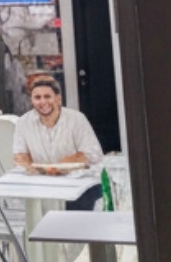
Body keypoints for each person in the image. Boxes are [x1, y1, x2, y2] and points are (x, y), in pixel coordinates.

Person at [12, 75, 106, 211]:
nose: (42, 102)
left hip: (80, 183)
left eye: (47, 96)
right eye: (37, 97)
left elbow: (91, 154)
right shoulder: (23, 123)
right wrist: (41, 171)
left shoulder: (77, 119)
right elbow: (20, 158)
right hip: (44, 184)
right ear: (32, 100)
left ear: (58, 98)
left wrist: (57, 167)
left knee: (74, 214)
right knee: (35, 206)